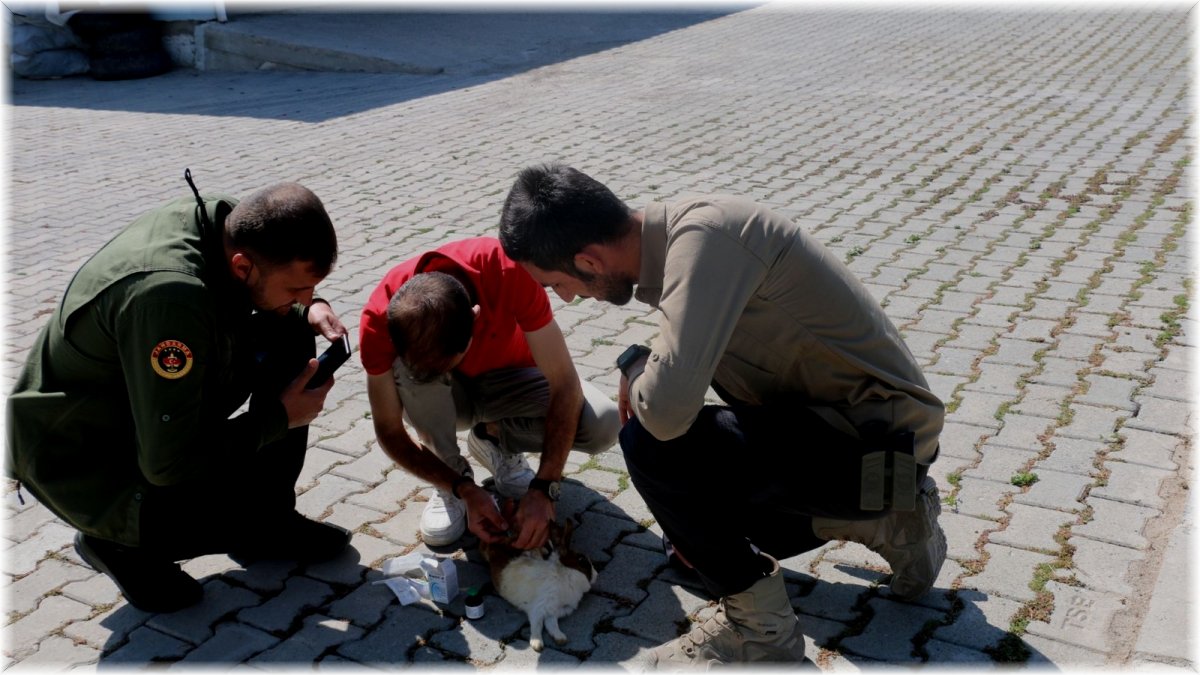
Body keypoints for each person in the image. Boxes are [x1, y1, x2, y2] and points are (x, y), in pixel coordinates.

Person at [498, 163, 948, 667]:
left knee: (649, 445)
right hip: (870, 452)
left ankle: (764, 636)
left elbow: (666, 415)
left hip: (879, 451)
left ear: (589, 260)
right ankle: (892, 522)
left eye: (557, 283)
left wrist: (637, 364)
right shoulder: (684, 240)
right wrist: (641, 362)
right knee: (692, 547)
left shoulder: (706, 241)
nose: (566, 298)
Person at [5, 173, 352, 614]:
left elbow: (280, 300)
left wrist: (308, 306)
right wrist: (279, 418)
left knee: (290, 330)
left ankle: (269, 524)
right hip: (85, 463)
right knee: (217, 522)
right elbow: (169, 463)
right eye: (296, 287)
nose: (304, 297)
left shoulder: (226, 222)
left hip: (134, 418)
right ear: (243, 265)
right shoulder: (170, 298)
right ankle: (115, 540)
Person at [359, 237, 620, 550]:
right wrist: (461, 488)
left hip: (508, 382)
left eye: (447, 364)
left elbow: (565, 383)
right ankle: (448, 473)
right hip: (448, 404)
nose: (442, 371)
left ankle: (493, 438)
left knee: (603, 423)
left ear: (475, 317)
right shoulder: (379, 318)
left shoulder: (510, 271)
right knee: (406, 373)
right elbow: (389, 430)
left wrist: (545, 486)